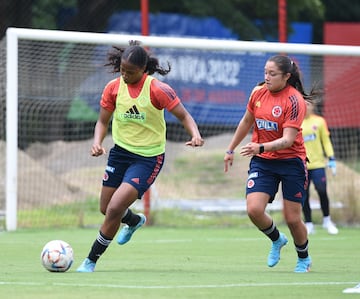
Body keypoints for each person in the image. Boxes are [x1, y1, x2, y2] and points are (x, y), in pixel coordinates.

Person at [76, 41, 204, 272]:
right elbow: (102, 121)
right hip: (120, 154)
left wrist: (195, 135)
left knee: (115, 207)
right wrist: (97, 143)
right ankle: (134, 221)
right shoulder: (113, 88)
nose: (125, 75)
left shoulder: (158, 90)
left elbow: (184, 116)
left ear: (143, 70)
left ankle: (90, 260)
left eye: (131, 72)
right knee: (106, 208)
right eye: (123, 70)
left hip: (147, 158)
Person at [224, 55, 319, 273]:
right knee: (254, 210)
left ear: (286, 76)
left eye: (272, 74)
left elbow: (287, 140)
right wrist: (230, 149)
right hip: (264, 162)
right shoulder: (258, 92)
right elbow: (247, 120)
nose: (267, 77)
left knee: (293, 218)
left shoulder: (294, 101)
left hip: (291, 162)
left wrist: (260, 147)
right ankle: (277, 239)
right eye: (265, 72)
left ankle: (303, 258)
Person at [301, 100, 339, 235]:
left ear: (313, 106)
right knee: (304, 195)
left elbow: (326, 141)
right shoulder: (296, 122)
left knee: (322, 190)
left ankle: (327, 220)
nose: (306, 107)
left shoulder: (320, 121)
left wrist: (331, 158)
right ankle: (308, 223)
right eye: (304, 104)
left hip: (318, 165)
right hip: (301, 166)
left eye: (308, 104)